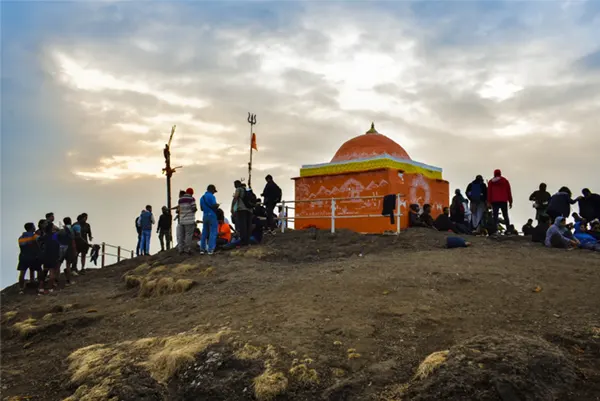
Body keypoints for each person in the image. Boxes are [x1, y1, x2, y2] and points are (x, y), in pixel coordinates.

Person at [17, 223, 41, 294]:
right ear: (31, 228)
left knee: (22, 273)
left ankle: (21, 289)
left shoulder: (21, 237)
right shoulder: (34, 236)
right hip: (33, 256)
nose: (35, 227)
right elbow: (41, 239)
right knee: (39, 270)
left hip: (23, 256)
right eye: (33, 226)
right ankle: (40, 286)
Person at [487, 169, 513, 233]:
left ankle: (495, 230)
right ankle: (508, 230)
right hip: (503, 200)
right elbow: (508, 191)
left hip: (494, 201)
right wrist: (510, 201)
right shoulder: (505, 181)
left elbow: (489, 192)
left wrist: (489, 202)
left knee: (495, 216)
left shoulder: (491, 182)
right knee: (505, 215)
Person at [39, 223, 61, 293]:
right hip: (53, 254)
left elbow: (39, 240)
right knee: (52, 271)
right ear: (51, 228)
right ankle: (50, 288)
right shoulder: (55, 235)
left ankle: (41, 287)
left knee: (45, 270)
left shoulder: (45, 236)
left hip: (46, 255)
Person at [232, 180, 253, 246]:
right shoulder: (247, 189)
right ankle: (248, 241)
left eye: (234, 184)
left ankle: (243, 241)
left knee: (242, 225)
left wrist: (232, 207)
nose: (234, 186)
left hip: (241, 209)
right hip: (249, 209)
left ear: (237, 184)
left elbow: (235, 198)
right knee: (248, 225)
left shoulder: (238, 189)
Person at [200, 184, 219, 255]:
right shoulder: (212, 196)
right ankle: (210, 249)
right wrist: (217, 205)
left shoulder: (202, 198)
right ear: (211, 190)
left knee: (204, 233)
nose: (214, 192)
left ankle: (202, 249)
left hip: (205, 215)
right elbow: (214, 205)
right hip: (212, 215)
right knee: (213, 232)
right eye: (214, 191)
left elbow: (201, 208)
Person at [178, 188, 197, 254]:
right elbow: (194, 208)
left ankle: (180, 249)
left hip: (181, 219)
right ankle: (188, 249)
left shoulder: (180, 200)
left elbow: (179, 209)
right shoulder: (191, 199)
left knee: (181, 235)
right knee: (188, 235)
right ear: (191, 193)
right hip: (189, 220)